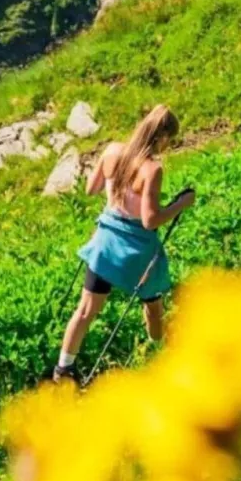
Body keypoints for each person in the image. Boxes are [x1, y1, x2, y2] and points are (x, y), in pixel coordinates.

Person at [53, 105, 195, 383]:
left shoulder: (111, 151)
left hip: (105, 244)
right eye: (171, 140)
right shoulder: (152, 169)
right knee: (153, 308)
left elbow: (90, 189)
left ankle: (63, 369)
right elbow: (150, 221)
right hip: (138, 253)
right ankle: (158, 352)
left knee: (84, 311)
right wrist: (180, 204)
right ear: (163, 137)